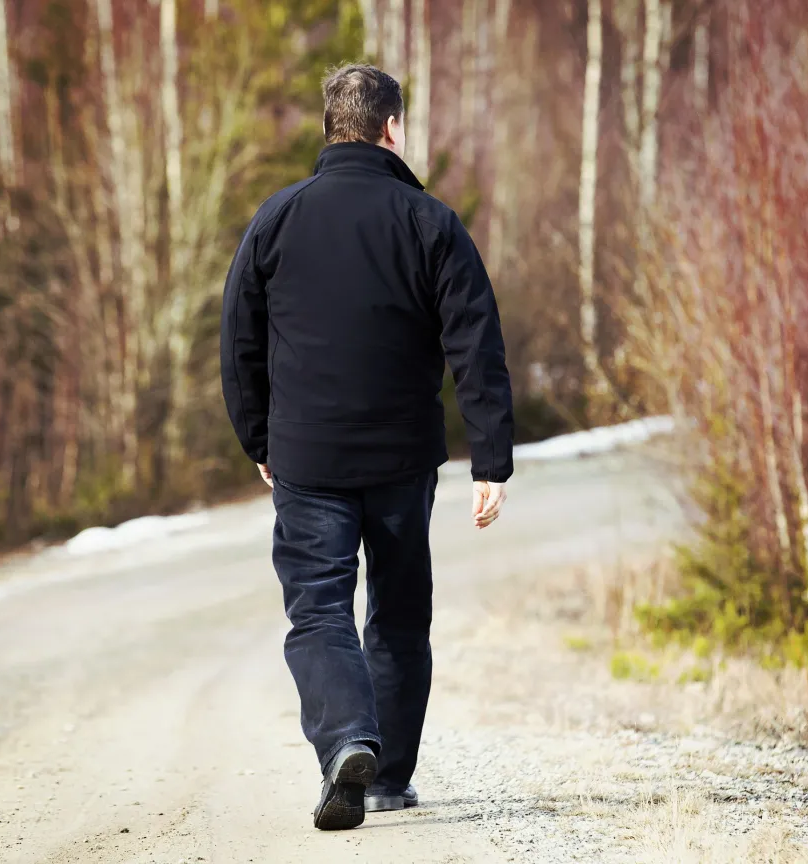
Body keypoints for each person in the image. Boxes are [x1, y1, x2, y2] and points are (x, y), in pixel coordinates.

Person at [220, 63, 514, 831]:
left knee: (318, 610)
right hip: (401, 459)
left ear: (331, 127)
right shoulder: (429, 222)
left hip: (307, 458)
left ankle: (347, 738)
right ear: (392, 128)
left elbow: (239, 339)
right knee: (397, 614)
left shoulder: (276, 219)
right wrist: (490, 459)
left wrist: (259, 435)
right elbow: (475, 343)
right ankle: (385, 780)